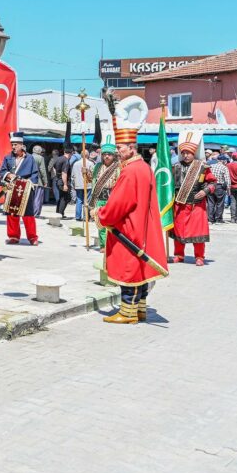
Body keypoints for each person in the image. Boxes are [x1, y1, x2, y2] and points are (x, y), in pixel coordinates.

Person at [96, 96, 167, 324]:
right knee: (140, 268)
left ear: (131, 147)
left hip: (128, 228)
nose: (117, 151)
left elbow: (120, 203)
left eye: (119, 147)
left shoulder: (130, 171)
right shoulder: (143, 166)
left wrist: (102, 215)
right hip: (141, 226)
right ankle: (140, 308)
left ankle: (127, 313)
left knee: (129, 268)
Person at [169, 131, 217, 266]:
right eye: (183, 153)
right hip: (179, 204)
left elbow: (213, 183)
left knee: (198, 232)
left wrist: (205, 191)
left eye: (188, 153)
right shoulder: (175, 167)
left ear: (193, 153)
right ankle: (179, 255)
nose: (185, 155)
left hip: (197, 205)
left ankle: (199, 256)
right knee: (178, 231)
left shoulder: (202, 167)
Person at [0, 133, 41, 245]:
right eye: (12, 144)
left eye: (16, 144)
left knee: (28, 214)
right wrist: (9, 175)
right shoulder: (8, 158)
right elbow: (2, 171)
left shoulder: (30, 158)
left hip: (26, 189)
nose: (13, 147)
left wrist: (29, 183)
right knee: (12, 213)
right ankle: (13, 236)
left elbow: (35, 174)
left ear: (22, 145)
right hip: (12, 188)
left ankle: (32, 237)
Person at [91, 137, 120, 250]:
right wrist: (86, 174)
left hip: (112, 198)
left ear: (113, 155)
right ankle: (103, 245)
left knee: (112, 223)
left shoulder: (118, 167)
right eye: (104, 154)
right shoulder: (98, 167)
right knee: (100, 222)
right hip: (99, 198)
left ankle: (111, 244)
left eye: (109, 154)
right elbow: (92, 180)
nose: (106, 156)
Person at [205, 148, 228, 224]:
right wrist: (228, 188)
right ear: (223, 161)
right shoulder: (224, 167)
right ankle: (218, 218)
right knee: (220, 203)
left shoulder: (211, 166)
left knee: (211, 203)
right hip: (219, 186)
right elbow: (227, 179)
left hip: (210, 185)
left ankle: (210, 219)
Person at [70, 148, 93, 221]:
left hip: (78, 185)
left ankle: (78, 216)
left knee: (79, 200)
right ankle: (86, 216)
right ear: (88, 155)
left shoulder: (76, 163)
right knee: (87, 201)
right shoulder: (90, 163)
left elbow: (73, 175)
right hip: (88, 185)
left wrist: (73, 184)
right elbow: (93, 175)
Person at [52, 149, 72, 218]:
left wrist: (57, 176)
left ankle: (58, 212)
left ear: (64, 152)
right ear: (70, 154)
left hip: (58, 180)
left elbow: (53, 168)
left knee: (61, 197)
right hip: (63, 181)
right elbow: (64, 173)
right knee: (66, 198)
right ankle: (60, 213)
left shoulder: (58, 159)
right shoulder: (66, 160)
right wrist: (65, 184)